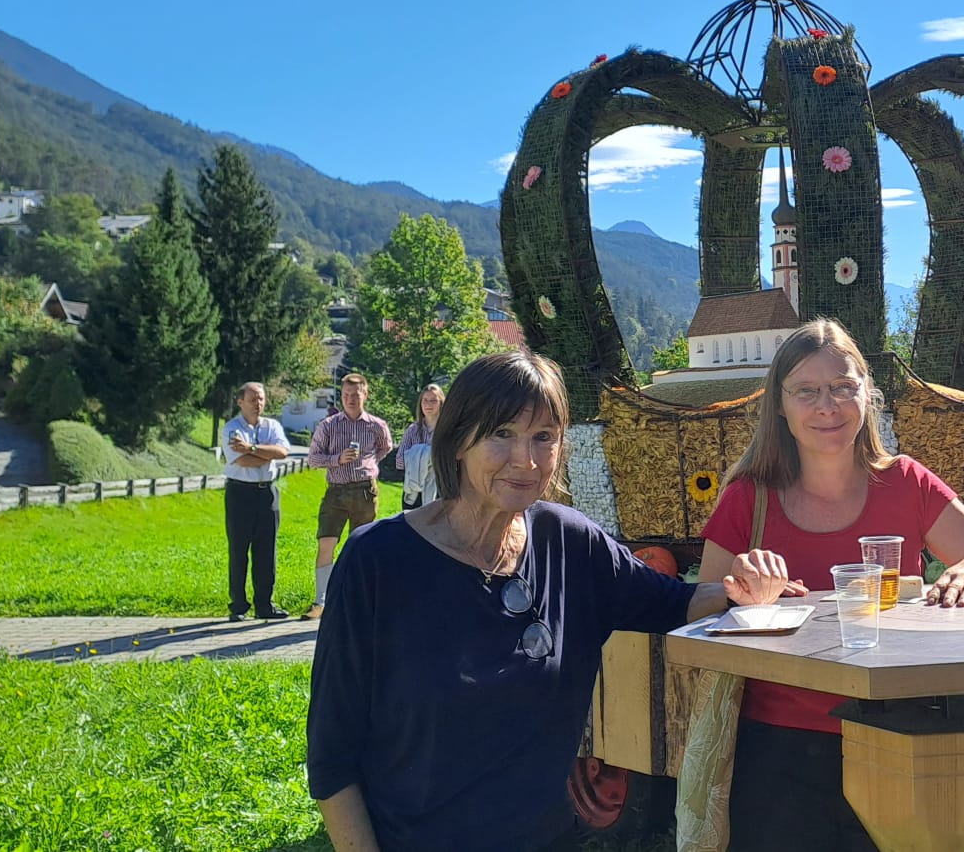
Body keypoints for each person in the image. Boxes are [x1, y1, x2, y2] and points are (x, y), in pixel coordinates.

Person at [306, 350, 800, 852]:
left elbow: (675, 602)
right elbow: (331, 756)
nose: (526, 459)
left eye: (544, 437)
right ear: (457, 440)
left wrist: (742, 589)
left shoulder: (569, 542)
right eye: (502, 433)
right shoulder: (379, 561)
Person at [696, 318, 964, 852]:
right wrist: (736, 590)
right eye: (806, 391)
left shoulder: (907, 482)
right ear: (779, 406)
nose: (827, 406)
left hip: (898, 733)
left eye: (842, 387)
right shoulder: (749, 497)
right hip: (777, 744)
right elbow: (697, 604)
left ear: (866, 394)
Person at [303, 373, 393, 620]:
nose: (350, 399)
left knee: (362, 546)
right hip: (336, 491)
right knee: (326, 542)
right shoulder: (328, 425)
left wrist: (368, 464)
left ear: (365, 394)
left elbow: (385, 448)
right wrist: (337, 459)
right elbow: (313, 459)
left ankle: (358, 600)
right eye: (346, 395)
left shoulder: (376, 425)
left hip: (365, 491)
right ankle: (321, 601)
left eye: (355, 395)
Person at [221, 381, 291, 621]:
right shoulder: (232, 428)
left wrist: (251, 448)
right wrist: (266, 454)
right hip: (240, 494)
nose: (257, 404)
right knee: (239, 549)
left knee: (266, 550)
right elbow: (241, 461)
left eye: (260, 399)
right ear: (240, 402)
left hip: (266, 493)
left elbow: (282, 452)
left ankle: (264, 604)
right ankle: (238, 605)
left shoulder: (272, 426)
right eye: (252, 399)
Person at [395, 382, 444, 509]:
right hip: (414, 491)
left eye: (433, 400)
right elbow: (399, 462)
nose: (428, 404)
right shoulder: (413, 430)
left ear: (441, 403)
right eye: (425, 400)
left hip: (440, 490)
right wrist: (426, 457)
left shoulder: (448, 431)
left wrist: (417, 456)